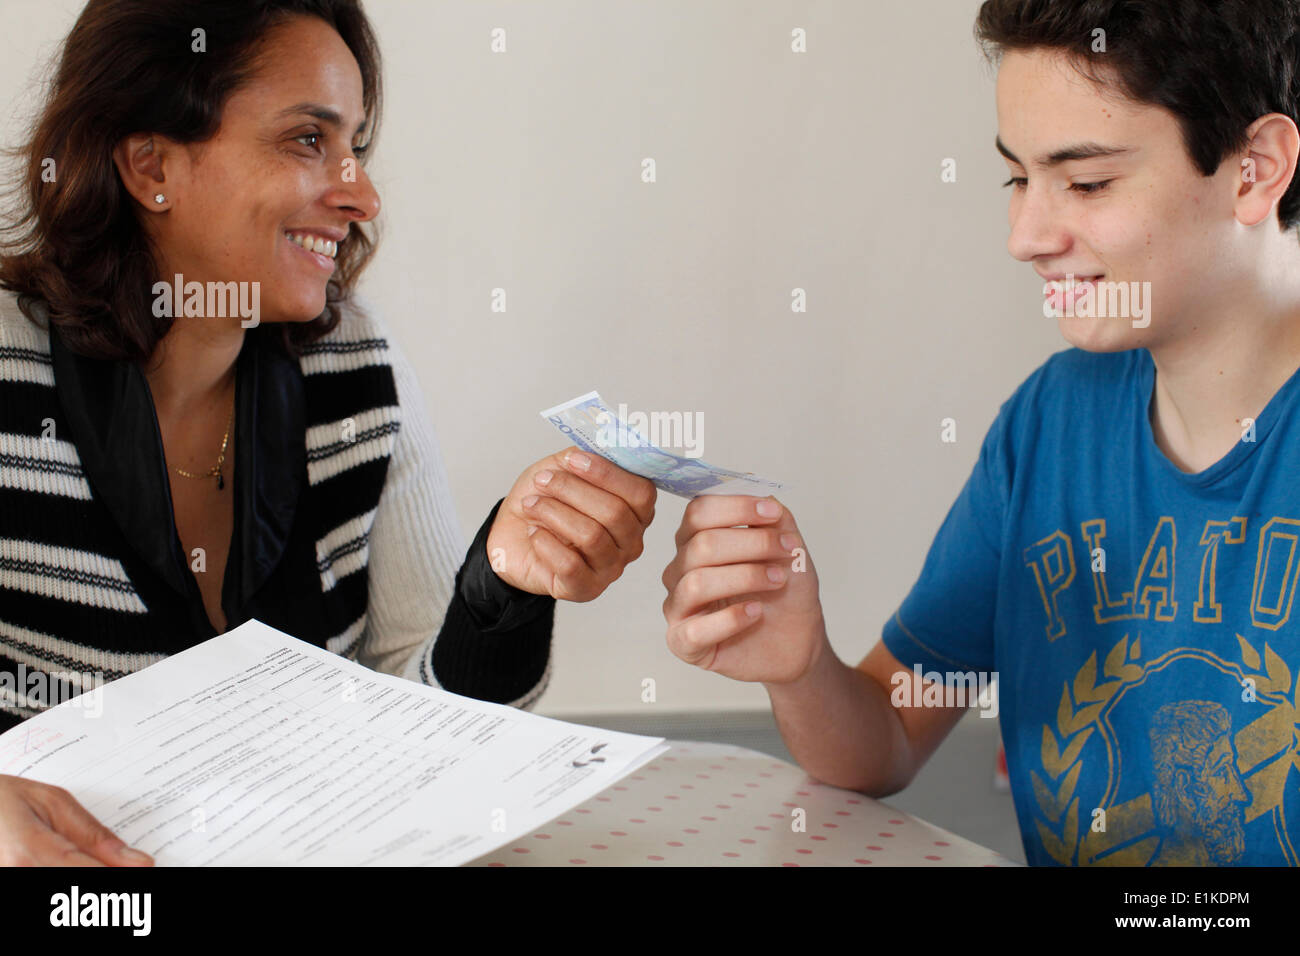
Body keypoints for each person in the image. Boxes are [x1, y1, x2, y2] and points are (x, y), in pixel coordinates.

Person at [0, 0, 655, 866]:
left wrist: (502, 590)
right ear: (150, 164)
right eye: (308, 140)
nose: (362, 194)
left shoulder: (356, 363)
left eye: (355, 147)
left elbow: (426, 734)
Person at [662, 0, 1300, 865]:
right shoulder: (1050, 421)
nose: (1025, 236)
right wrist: (799, 664)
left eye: (1086, 182)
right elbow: (884, 741)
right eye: (1016, 178)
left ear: (1255, 170)